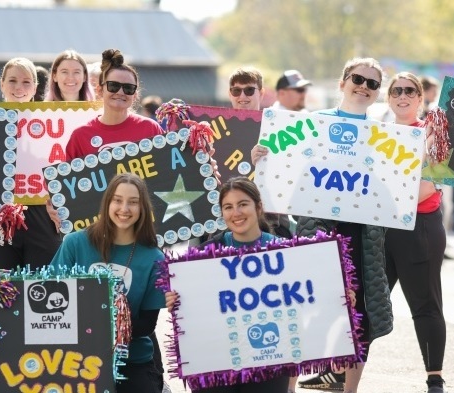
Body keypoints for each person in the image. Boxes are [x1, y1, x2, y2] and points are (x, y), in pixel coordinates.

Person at [254, 58, 392, 393]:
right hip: (317, 230)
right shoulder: (313, 123)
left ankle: (350, 389)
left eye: (373, 83)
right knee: (306, 311)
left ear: (377, 93)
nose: (364, 86)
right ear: (343, 81)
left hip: (363, 235)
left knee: (359, 316)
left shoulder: (387, 135)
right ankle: (288, 388)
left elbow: (394, 189)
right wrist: (261, 158)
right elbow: (284, 168)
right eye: (358, 79)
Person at [164, 177, 291, 393]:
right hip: (215, 362)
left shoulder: (287, 251)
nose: (236, 213)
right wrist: (175, 300)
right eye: (228, 207)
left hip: (269, 359)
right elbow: (191, 305)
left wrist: (339, 296)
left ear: (258, 207)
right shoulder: (203, 255)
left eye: (243, 204)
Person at [50, 173, 166, 393]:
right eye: (117, 200)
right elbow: (49, 294)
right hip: (74, 358)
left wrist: (107, 325)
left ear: (143, 208)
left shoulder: (154, 258)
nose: (124, 208)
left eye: (133, 202)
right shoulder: (75, 243)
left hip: (132, 360)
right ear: (107, 203)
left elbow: (147, 325)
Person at [384, 72, 448, 393]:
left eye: (410, 90)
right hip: (381, 230)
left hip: (419, 225)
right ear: (389, 97)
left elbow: (432, 183)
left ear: (420, 98)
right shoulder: (375, 133)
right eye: (396, 90)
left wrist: (390, 198)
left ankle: (434, 378)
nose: (403, 95)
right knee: (367, 304)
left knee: (425, 304)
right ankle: (343, 375)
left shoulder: (431, 131)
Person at [0, 58, 63, 276]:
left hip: (42, 214)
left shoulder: (53, 122)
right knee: (3, 289)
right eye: (12, 81)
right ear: (1, 84)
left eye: (26, 81)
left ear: (35, 87)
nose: (19, 88)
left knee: (41, 286)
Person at [226, 67, 294, 239]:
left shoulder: (279, 127)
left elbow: (291, 172)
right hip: (228, 222)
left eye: (249, 90)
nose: (242, 96)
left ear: (261, 93)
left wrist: (265, 164)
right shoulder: (217, 129)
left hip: (271, 221)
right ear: (230, 94)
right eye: (236, 91)